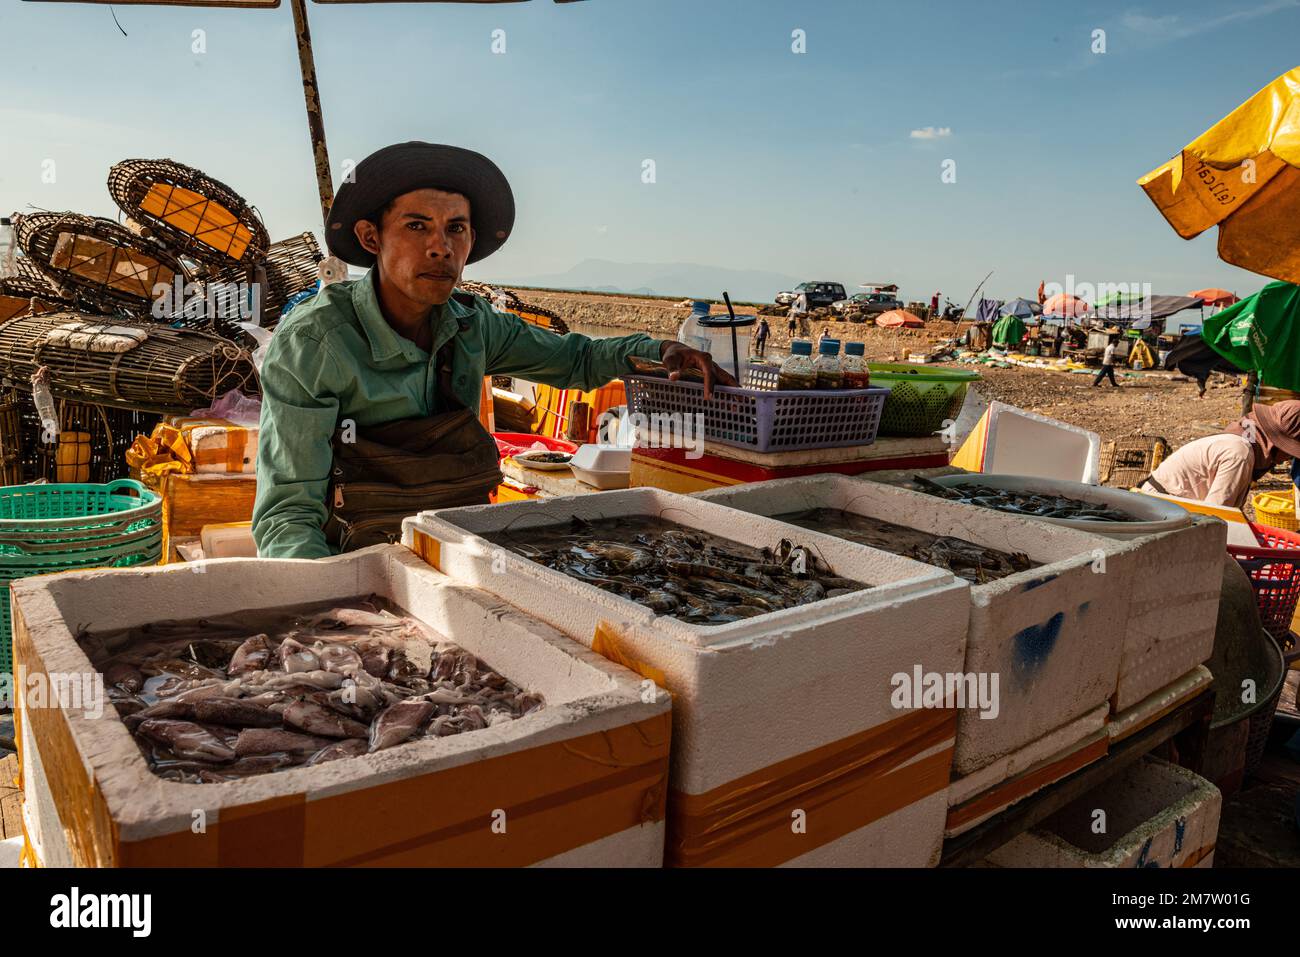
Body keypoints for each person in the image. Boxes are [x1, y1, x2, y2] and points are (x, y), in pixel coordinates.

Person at [252, 142, 733, 559]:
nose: (440, 247)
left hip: (460, 552)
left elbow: (578, 359)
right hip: (357, 559)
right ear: (370, 237)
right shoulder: (314, 343)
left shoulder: (473, 324)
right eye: (417, 226)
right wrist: (332, 606)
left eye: (455, 229)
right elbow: (288, 515)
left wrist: (661, 348)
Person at [1140, 400, 1300, 508]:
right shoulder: (1240, 454)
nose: (1287, 459)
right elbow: (1216, 514)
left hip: (1169, 504)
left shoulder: (1244, 438)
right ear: (1275, 443)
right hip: (1160, 507)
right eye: (1289, 452)